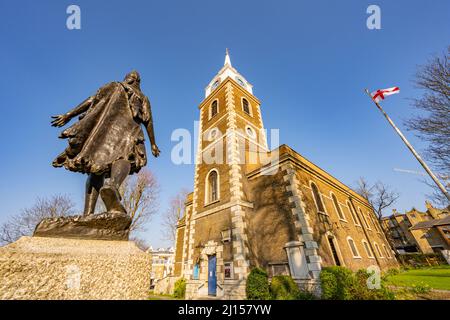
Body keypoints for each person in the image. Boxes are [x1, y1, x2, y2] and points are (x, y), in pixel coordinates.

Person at [51, 71, 160, 215]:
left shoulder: (115, 86)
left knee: (97, 169)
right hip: (129, 132)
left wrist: (69, 114)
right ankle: (113, 187)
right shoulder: (143, 98)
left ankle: (87, 213)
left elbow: (93, 100)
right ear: (138, 81)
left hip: (106, 133)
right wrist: (153, 143)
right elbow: (148, 121)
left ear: (132, 79)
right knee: (126, 157)